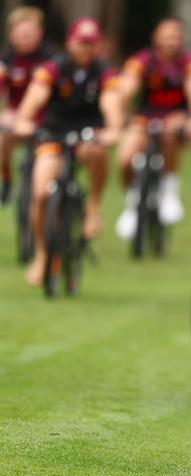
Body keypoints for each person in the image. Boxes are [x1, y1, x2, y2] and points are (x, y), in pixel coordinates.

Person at [13, 17, 121, 285]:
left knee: (96, 152)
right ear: (69, 43)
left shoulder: (104, 73)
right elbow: (32, 102)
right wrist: (25, 123)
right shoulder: (52, 69)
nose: (85, 49)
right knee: (40, 192)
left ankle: (93, 206)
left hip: (88, 134)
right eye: (81, 43)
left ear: (97, 46)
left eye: (91, 44)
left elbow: (112, 108)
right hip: (54, 133)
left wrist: (112, 130)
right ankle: (41, 254)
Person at [115, 18, 191, 240]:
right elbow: (126, 88)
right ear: (155, 38)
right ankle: (132, 202)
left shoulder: (190, 62)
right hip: (145, 119)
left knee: (173, 130)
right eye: (166, 36)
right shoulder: (142, 60)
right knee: (124, 157)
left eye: (176, 36)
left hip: (177, 119)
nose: (171, 41)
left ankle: (169, 190)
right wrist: (120, 109)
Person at [0, 6, 55, 205]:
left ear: (39, 34)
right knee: (2, 136)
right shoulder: (6, 59)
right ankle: (6, 179)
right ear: (12, 36)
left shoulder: (52, 58)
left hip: (46, 117)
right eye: (21, 34)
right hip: (15, 116)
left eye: (29, 34)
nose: (25, 38)